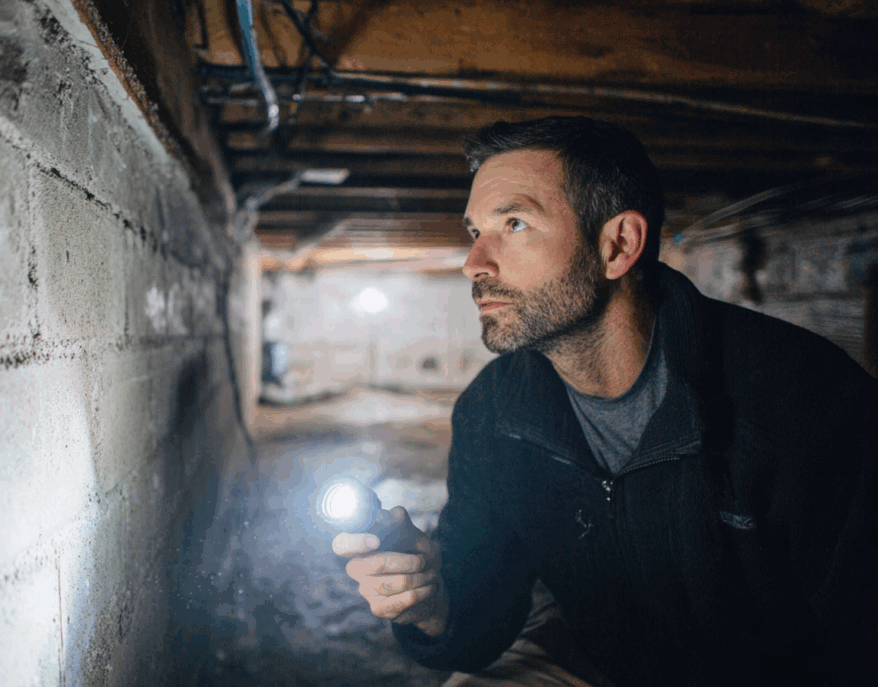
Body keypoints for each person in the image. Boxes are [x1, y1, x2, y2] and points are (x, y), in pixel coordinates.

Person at [333, 116, 878, 687]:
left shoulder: (805, 404)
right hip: (596, 659)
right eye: (475, 232)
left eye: (514, 224)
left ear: (617, 246)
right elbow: (483, 617)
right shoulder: (493, 412)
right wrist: (431, 599)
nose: (475, 263)